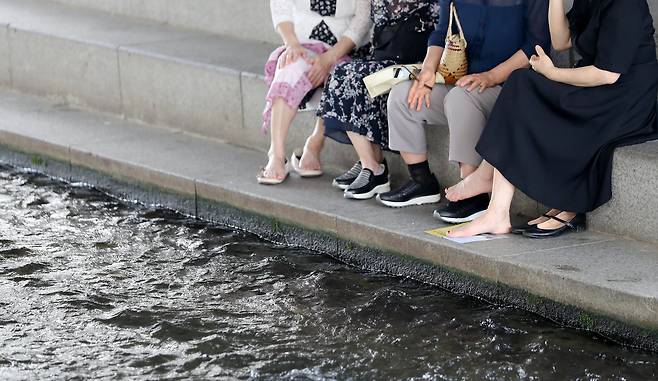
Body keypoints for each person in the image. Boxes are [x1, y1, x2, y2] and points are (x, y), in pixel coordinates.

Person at [448, 0, 658, 238]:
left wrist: (552, 73)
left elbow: (608, 74)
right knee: (521, 84)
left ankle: (492, 197)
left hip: (624, 100)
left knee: (522, 86)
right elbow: (561, 42)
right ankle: (496, 209)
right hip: (595, 88)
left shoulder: (626, 5)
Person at [378, 0, 551, 223]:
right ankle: (421, 182)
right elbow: (441, 33)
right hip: (464, 80)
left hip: (510, 89)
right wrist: (428, 71)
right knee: (403, 95)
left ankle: (474, 195)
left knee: (461, 98)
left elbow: (536, 44)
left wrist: (492, 76)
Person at [318, 0, 440, 199]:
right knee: (343, 73)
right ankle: (371, 163)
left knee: (353, 78)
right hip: (380, 60)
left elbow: (441, 32)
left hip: (414, 65)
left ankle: (374, 170)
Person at [258, 0, 371, 185]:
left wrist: (330, 56)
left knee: (340, 77)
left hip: (346, 47)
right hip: (301, 43)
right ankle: (276, 155)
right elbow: (281, 5)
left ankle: (315, 143)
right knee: (289, 68)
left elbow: (363, 19)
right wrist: (292, 44)